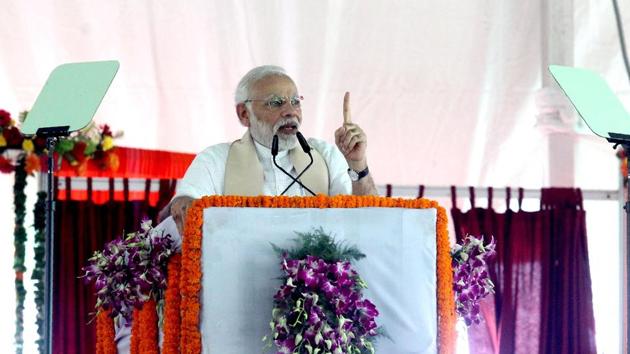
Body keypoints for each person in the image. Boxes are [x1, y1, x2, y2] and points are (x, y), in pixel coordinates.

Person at [165, 65, 377, 233]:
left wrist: (358, 164)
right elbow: (183, 207)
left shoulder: (325, 156)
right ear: (244, 114)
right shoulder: (215, 160)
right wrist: (183, 204)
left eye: (295, 101)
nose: (290, 111)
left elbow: (368, 223)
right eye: (275, 103)